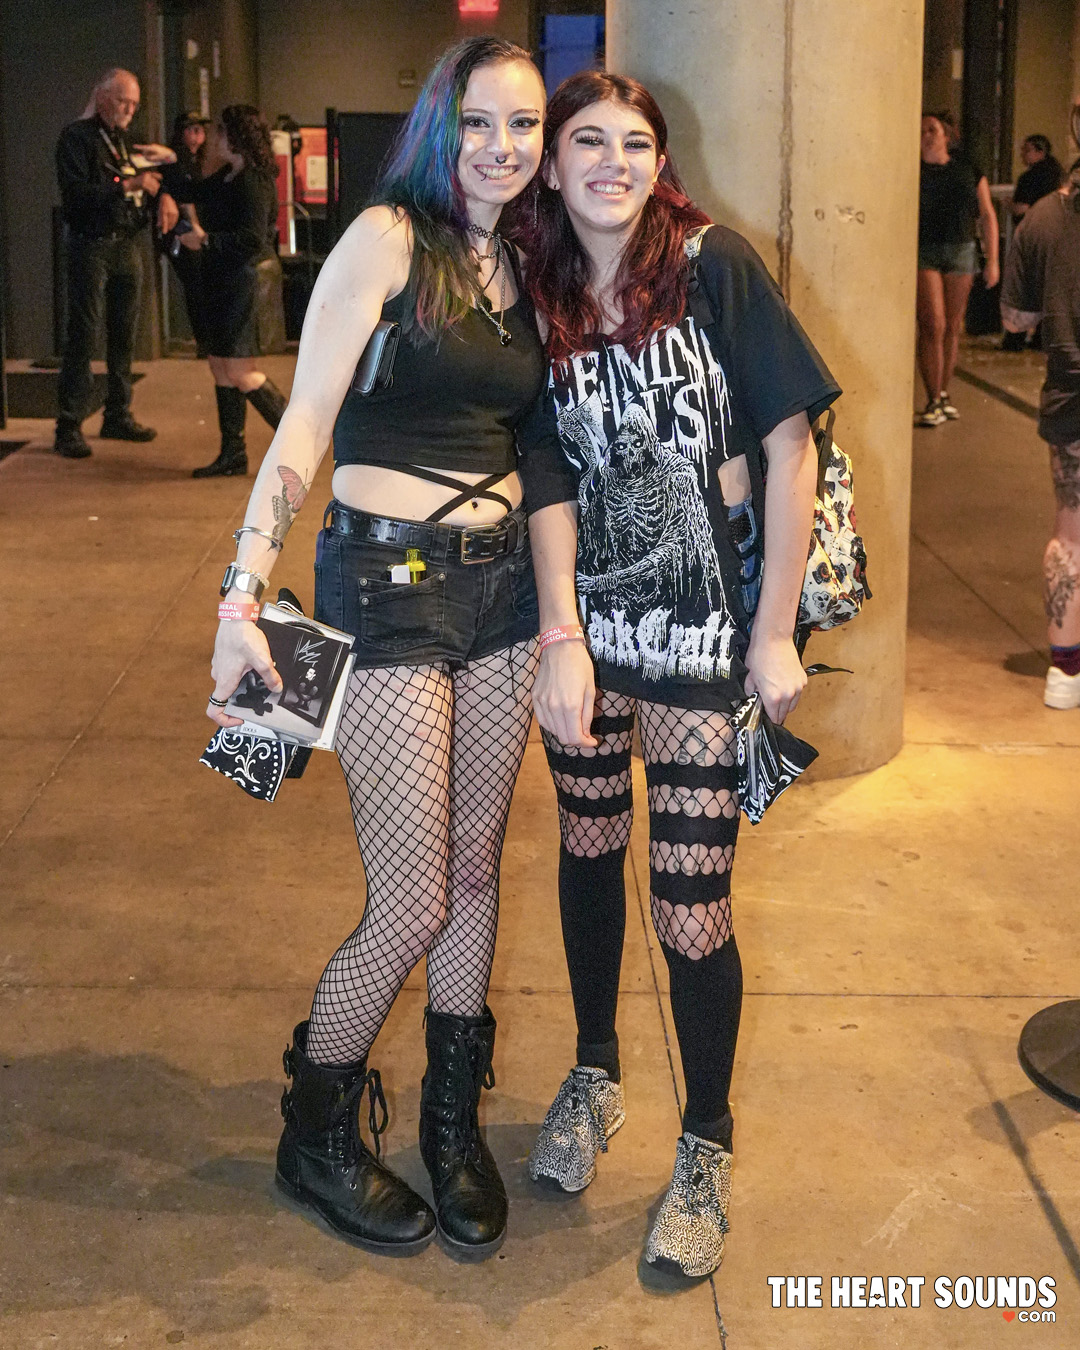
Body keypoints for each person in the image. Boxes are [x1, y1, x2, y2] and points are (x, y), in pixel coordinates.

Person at [204, 38, 571, 1258]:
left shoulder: (525, 261)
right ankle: (312, 1132)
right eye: (481, 122)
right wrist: (242, 596)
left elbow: (538, 443)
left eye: (524, 125)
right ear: (439, 126)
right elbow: (304, 421)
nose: (502, 147)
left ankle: (450, 1127)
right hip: (387, 585)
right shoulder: (386, 239)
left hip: (502, 593)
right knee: (412, 894)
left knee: (472, 875)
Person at [515, 70, 840, 1279]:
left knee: (691, 903)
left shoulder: (714, 268)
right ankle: (595, 1072)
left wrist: (773, 632)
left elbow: (791, 445)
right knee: (588, 849)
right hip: (594, 629)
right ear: (552, 165)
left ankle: (706, 1142)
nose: (612, 162)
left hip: (707, 636)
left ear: (661, 163)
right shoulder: (541, 290)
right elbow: (547, 470)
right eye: (587, 141)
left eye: (635, 143)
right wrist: (561, 634)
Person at [1001, 105, 1080, 710]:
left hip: (1071, 394)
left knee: (1071, 531)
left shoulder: (1043, 220)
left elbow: (1016, 318)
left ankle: (1064, 671)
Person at [163, 105, 288, 478]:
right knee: (220, 365)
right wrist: (169, 161)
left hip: (243, 284)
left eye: (219, 131)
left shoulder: (253, 181)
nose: (214, 138)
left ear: (235, 137)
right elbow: (189, 190)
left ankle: (300, 437)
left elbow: (252, 239)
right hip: (223, 280)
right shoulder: (231, 175)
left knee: (240, 371)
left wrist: (205, 240)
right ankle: (233, 453)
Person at [54, 68, 165, 459]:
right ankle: (69, 424)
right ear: (101, 96)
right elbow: (76, 195)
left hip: (126, 244)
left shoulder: (126, 140)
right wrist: (126, 186)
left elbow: (147, 180)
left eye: (134, 104)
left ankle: (117, 413)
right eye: (122, 101)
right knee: (84, 334)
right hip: (91, 245)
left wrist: (162, 194)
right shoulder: (77, 138)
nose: (129, 110)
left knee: (124, 334)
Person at [915, 112, 1000, 427]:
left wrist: (993, 260)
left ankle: (943, 393)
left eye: (932, 129)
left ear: (946, 135)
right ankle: (932, 398)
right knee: (932, 324)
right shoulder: (913, 170)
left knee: (952, 326)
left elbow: (987, 214)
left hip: (961, 250)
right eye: (922, 131)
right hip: (925, 250)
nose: (926, 135)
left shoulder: (968, 169)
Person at [1001, 134, 1064, 351]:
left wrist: (1008, 205)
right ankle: (1042, 337)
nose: (1022, 154)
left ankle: (1015, 338)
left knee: (1025, 286)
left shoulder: (1030, 178)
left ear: (1039, 152)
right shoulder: (1058, 175)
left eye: (1026, 150)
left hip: (1032, 236)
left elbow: (1022, 208)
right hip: (1056, 236)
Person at [160, 111, 212, 357]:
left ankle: (206, 339)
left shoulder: (196, 160)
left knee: (200, 283)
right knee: (196, 284)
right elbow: (184, 197)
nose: (198, 135)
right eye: (192, 129)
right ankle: (204, 341)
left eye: (200, 130)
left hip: (192, 228)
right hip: (180, 230)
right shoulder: (176, 160)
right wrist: (195, 225)